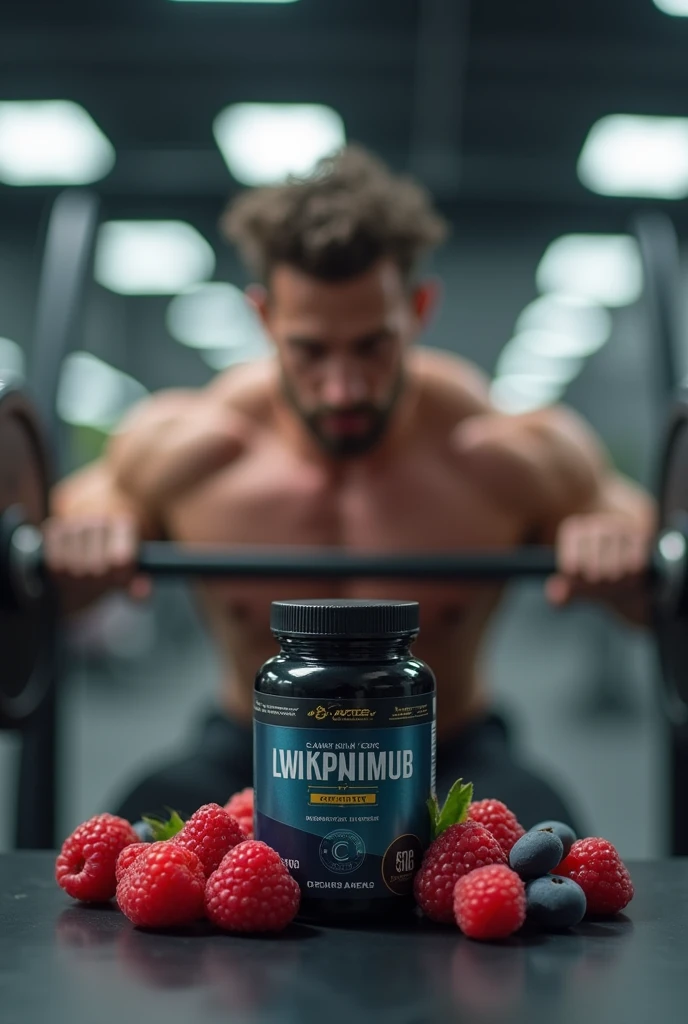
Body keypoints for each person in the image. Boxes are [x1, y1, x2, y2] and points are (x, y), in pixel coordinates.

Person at [49, 146, 655, 829]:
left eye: (372, 346)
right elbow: (72, 540)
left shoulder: (505, 452)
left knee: (548, 856)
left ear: (419, 309)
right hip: (249, 751)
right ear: (264, 318)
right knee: (131, 852)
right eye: (310, 349)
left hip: (445, 753)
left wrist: (613, 543)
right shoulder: (188, 448)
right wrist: (91, 532)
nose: (343, 387)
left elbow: (639, 554)